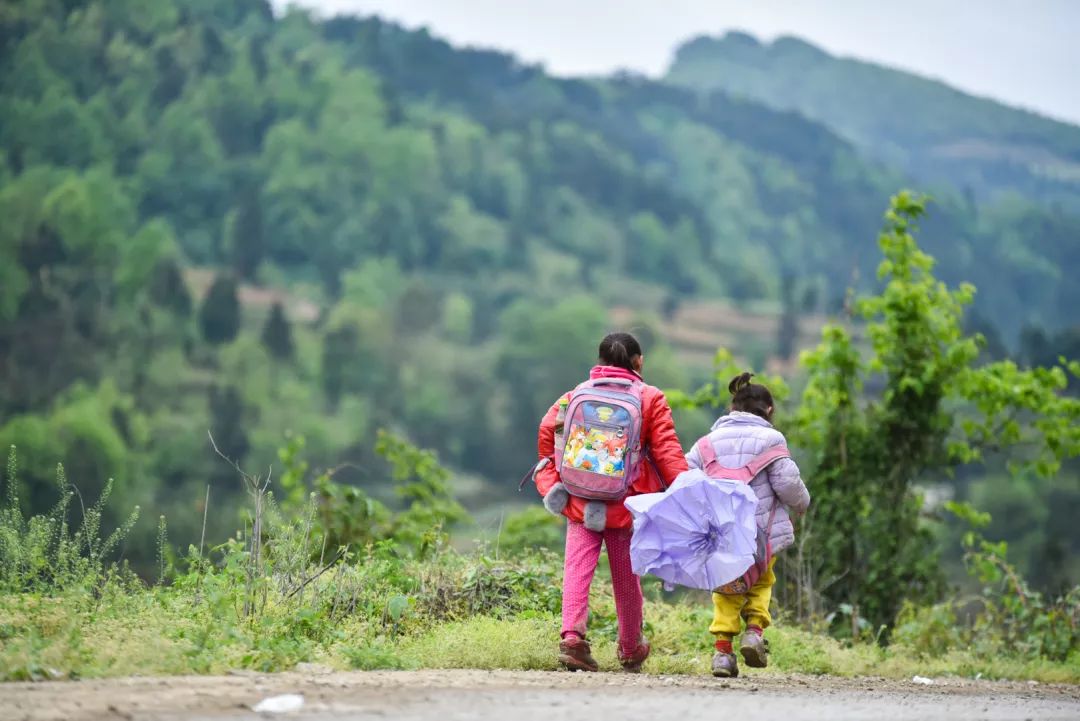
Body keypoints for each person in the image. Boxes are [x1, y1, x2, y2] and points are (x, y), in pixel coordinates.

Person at [533, 332, 688, 673]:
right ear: (638, 362)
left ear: (600, 361)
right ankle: (631, 646)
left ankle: (572, 640)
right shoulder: (650, 398)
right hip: (625, 504)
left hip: (579, 500)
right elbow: (667, 451)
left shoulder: (574, 395)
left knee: (577, 569)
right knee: (625, 576)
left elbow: (548, 432)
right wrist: (687, 492)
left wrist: (553, 481)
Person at [685, 372, 810, 678]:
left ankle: (723, 654)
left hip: (720, 535)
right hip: (760, 537)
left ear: (733, 407)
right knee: (762, 581)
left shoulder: (706, 444)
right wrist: (802, 503)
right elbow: (788, 484)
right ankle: (754, 631)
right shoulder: (772, 440)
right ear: (769, 410)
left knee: (726, 590)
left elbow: (685, 477)